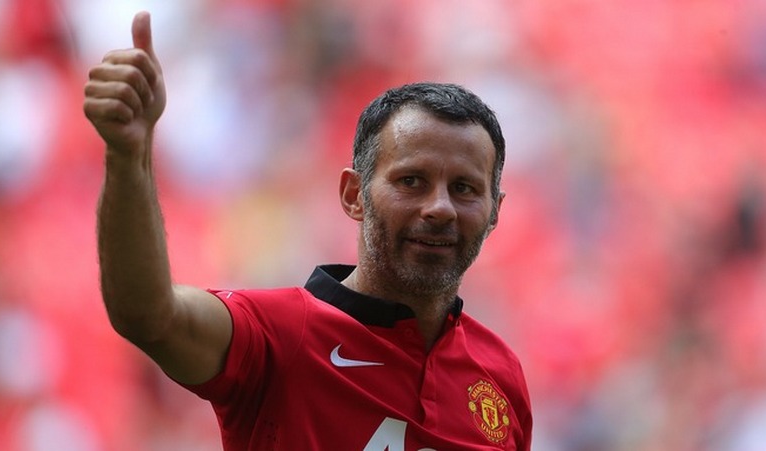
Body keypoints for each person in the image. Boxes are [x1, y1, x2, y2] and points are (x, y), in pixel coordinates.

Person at [83, 11, 532, 451]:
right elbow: (148, 316)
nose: (440, 208)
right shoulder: (279, 335)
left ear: (495, 211)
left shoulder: (501, 376)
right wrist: (128, 154)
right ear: (354, 195)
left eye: (464, 188)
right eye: (411, 181)